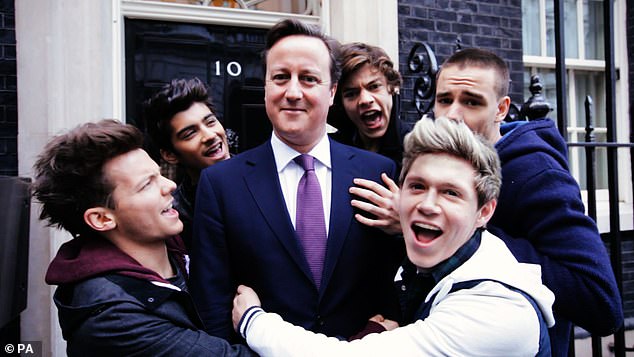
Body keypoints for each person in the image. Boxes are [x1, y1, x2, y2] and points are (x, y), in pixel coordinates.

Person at [355, 47, 624, 356]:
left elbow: (600, 300)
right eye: (444, 100)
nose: (453, 114)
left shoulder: (535, 172)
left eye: (471, 101)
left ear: (501, 109)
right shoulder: (440, 161)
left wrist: (461, 230)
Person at [231, 116, 555, 357]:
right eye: (417, 186)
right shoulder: (455, 258)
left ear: (484, 212)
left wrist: (252, 320)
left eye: (451, 193)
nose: (427, 205)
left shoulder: (495, 309)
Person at [189, 18, 404, 342]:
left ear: (331, 92)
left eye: (308, 78)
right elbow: (212, 303)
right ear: (265, 87)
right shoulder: (221, 185)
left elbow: (393, 283)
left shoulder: (376, 171)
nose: (292, 92)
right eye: (280, 77)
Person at [33, 120, 254, 356]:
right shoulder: (115, 318)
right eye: (147, 184)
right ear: (102, 219)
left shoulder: (181, 248)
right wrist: (255, 323)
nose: (169, 185)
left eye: (158, 175)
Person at [144, 77, 231, 249]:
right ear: (170, 155)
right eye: (190, 133)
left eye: (210, 122)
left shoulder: (268, 178)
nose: (210, 135)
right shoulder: (175, 215)